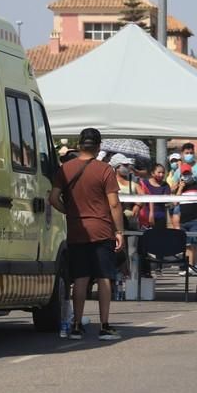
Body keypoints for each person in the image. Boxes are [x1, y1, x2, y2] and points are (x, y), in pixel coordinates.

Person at [48, 128, 124, 341]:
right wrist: (119, 231)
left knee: (80, 278)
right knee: (104, 278)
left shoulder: (66, 169)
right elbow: (114, 204)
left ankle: (76, 326)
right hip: (101, 230)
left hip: (76, 229)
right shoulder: (105, 170)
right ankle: (105, 325)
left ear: (80, 145)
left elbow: (53, 198)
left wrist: (70, 212)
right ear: (98, 147)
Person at [177, 162, 197, 276]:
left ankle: (192, 265)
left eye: (187, 173)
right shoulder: (180, 187)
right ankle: (186, 265)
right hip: (183, 220)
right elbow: (175, 201)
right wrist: (180, 188)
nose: (186, 176)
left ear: (191, 173)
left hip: (195, 219)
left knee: (193, 243)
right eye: (184, 174)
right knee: (185, 244)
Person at [142, 163, 171, 229]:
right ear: (152, 173)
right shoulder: (145, 183)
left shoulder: (166, 185)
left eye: (163, 172)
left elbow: (167, 200)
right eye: (159, 172)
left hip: (161, 216)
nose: (161, 174)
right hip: (146, 215)